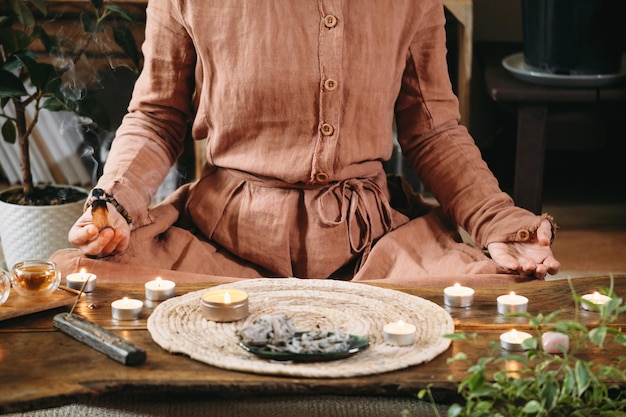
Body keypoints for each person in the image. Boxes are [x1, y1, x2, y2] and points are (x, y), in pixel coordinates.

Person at [52, 0, 560, 286]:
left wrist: (494, 220)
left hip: (371, 248)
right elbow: (159, 116)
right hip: (220, 247)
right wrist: (115, 200)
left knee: (500, 296)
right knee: (84, 285)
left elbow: (432, 128)